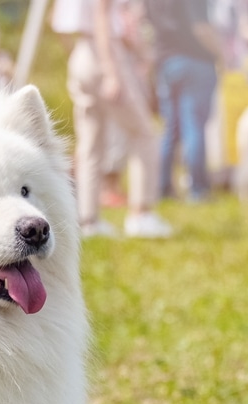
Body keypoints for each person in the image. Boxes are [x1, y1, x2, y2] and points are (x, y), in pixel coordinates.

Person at [53, 0, 173, 239]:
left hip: (82, 51)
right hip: (106, 53)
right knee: (145, 133)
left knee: (91, 142)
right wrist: (111, 70)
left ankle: (88, 220)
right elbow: (102, 18)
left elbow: (58, 24)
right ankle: (142, 213)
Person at [146, 0, 224, 202]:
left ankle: (163, 187)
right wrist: (223, 54)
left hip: (166, 62)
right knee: (195, 126)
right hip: (195, 62)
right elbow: (200, 28)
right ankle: (197, 189)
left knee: (170, 128)